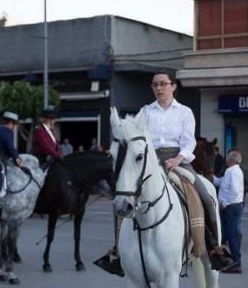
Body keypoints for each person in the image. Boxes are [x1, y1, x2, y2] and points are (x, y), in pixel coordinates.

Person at [95, 73, 235, 276]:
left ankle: (214, 247)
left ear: (173, 86)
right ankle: (118, 251)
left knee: (204, 194)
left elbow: (189, 143)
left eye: (163, 84)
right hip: (148, 161)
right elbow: (134, 137)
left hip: (177, 160)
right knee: (122, 197)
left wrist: (178, 159)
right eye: (155, 85)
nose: (159, 88)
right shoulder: (145, 112)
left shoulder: (184, 112)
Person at [212, 150, 245, 274]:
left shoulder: (234, 172)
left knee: (231, 235)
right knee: (226, 234)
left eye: (228, 158)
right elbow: (222, 183)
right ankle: (228, 259)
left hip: (231, 207)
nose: (226, 160)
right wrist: (213, 179)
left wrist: (224, 203)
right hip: (231, 206)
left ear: (232, 160)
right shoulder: (231, 171)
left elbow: (235, 191)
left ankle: (236, 262)